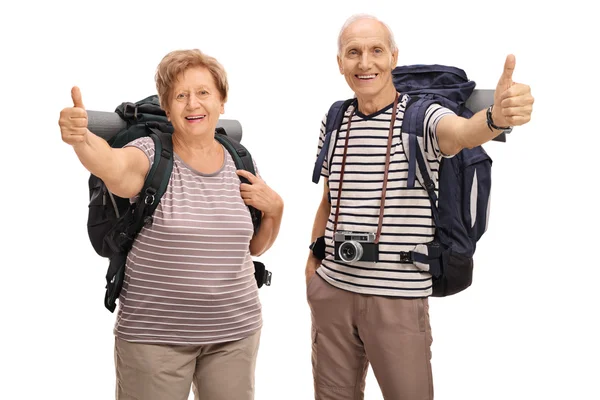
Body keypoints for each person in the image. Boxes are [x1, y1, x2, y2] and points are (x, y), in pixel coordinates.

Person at [305, 14, 534, 400]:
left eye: (376, 51)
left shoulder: (422, 115)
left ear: (393, 57)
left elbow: (461, 133)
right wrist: (313, 266)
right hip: (331, 293)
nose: (365, 63)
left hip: (397, 300)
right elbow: (331, 198)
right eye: (353, 53)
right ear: (339, 62)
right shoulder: (335, 117)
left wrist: (495, 118)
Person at [58, 49, 284, 400]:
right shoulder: (149, 154)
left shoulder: (240, 159)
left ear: (222, 102)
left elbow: (253, 247)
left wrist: (276, 211)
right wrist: (83, 139)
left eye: (203, 93)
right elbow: (113, 166)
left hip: (235, 334)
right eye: (180, 95)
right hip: (154, 340)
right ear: (167, 106)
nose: (193, 104)